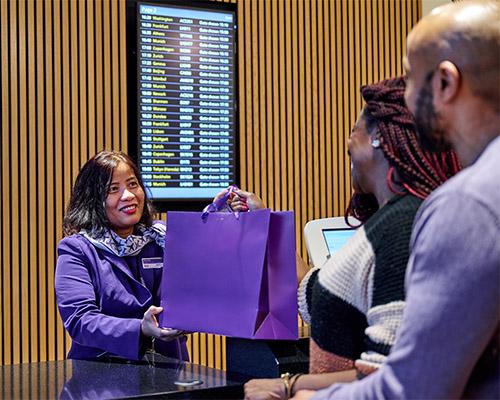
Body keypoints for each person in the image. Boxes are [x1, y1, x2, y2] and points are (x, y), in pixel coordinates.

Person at [293, 1, 500, 399]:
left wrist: (307, 394)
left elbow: (414, 389)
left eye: (410, 79)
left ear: (444, 83)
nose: (403, 97)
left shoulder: (465, 206)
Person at [240, 76, 461, 400]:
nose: (347, 139)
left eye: (355, 127)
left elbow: (389, 374)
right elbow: (314, 292)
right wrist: (264, 220)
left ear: (378, 138)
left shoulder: (403, 228)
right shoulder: (395, 219)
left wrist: (291, 386)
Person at [55, 151, 189, 361]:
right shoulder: (77, 249)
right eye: (113, 189)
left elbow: (202, 273)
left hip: (170, 371)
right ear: (93, 200)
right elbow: (80, 320)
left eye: (133, 184)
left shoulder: (163, 237)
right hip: (103, 378)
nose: (128, 195)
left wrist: (222, 212)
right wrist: (140, 329)